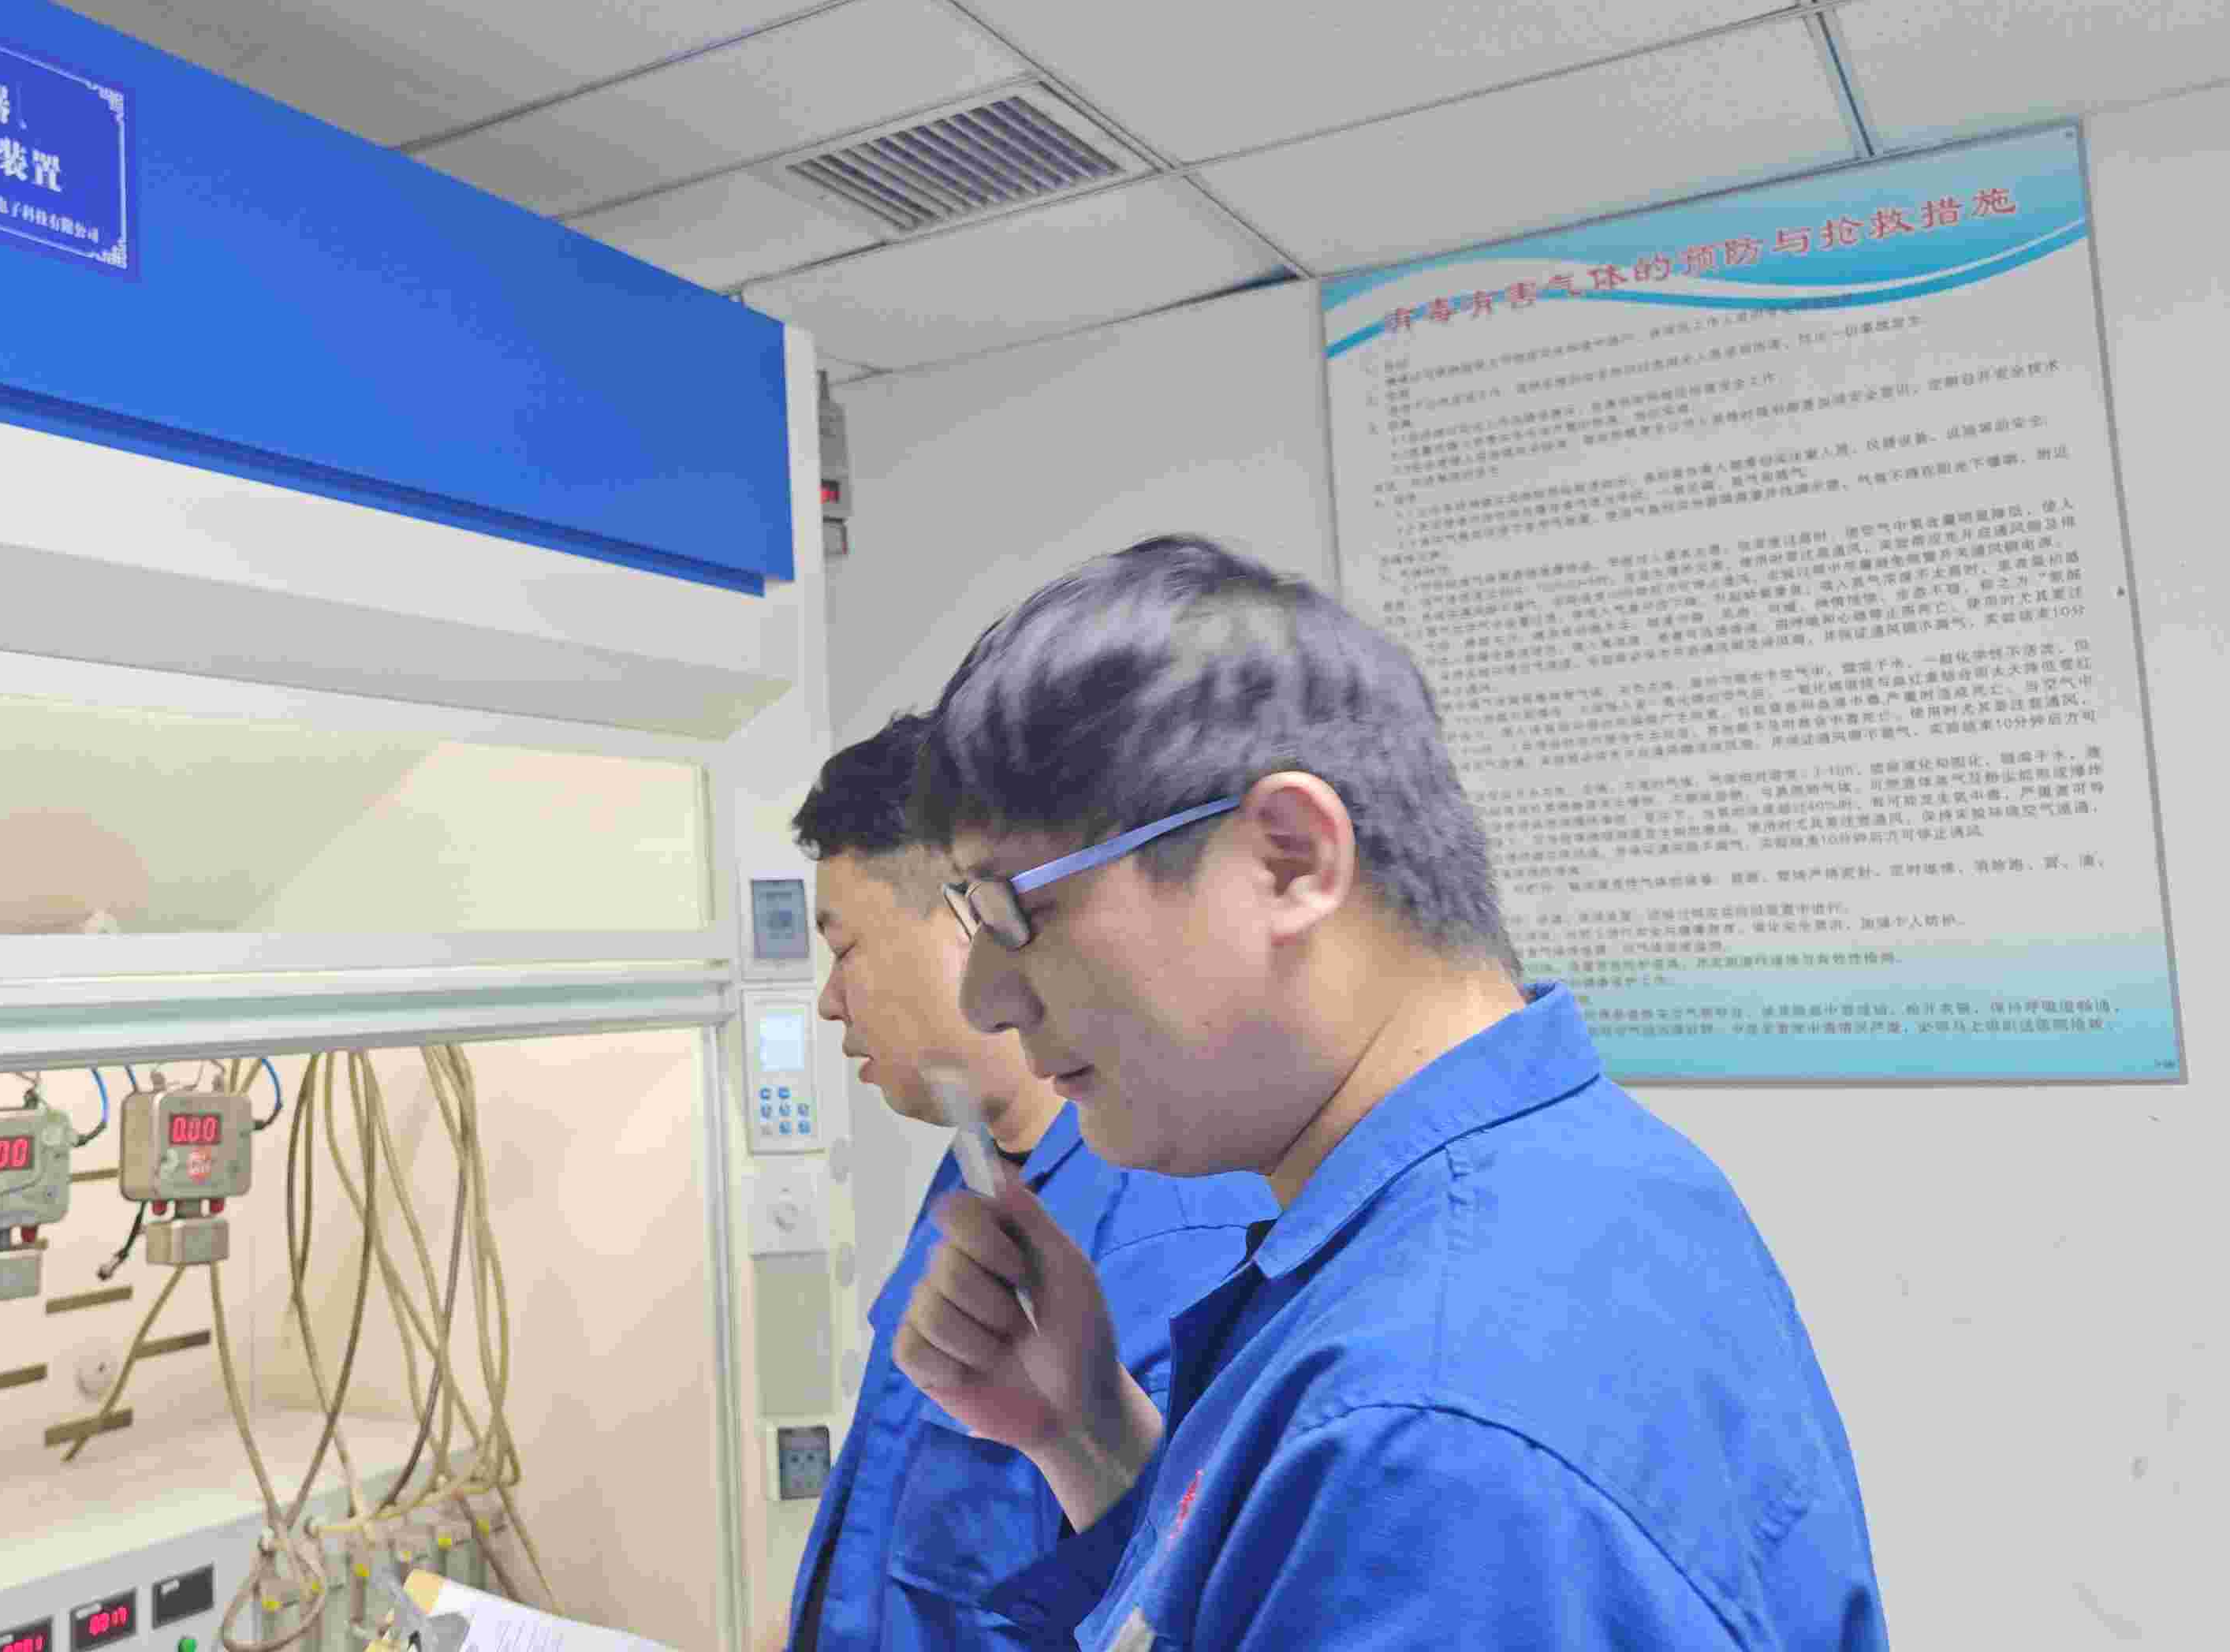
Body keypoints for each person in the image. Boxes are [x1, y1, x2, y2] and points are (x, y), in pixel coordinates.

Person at [888, 535, 1887, 1650]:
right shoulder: (1588, 1185)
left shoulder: (1433, 1425)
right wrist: (1090, 1439)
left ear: (1289, 859)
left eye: (1015, 911)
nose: (983, 999)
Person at [767, 714, 1275, 1652]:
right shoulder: (980, 1175)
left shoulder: (1166, 1233)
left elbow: (1165, 1607)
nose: (830, 1002)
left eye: (844, 951)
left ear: (969, 922)